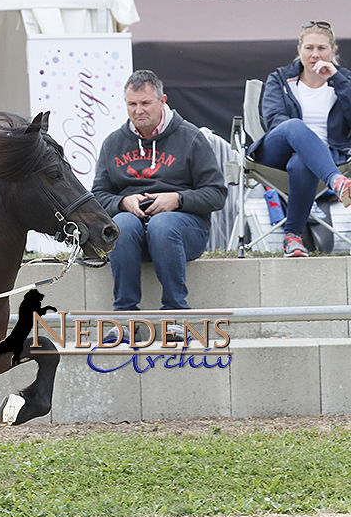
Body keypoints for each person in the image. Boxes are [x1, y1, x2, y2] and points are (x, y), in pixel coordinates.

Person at [92, 70, 227, 343]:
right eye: (132, 104)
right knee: (123, 224)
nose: (138, 110)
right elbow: (96, 196)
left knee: (162, 224)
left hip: (183, 230)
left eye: (145, 103)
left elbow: (216, 194)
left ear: (162, 100)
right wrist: (121, 202)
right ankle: (126, 319)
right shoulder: (113, 143)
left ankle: (175, 317)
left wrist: (178, 199)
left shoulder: (191, 138)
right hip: (132, 234)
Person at [249, 21, 351, 258]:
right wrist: (300, 144)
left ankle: (292, 238)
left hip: (324, 157)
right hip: (277, 151)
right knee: (293, 125)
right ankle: (337, 183)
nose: (315, 54)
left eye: (322, 48)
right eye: (309, 47)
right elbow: (274, 120)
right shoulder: (280, 78)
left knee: (302, 163)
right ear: (299, 49)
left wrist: (338, 81)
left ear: (333, 51)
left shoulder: (344, 79)